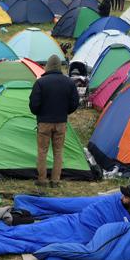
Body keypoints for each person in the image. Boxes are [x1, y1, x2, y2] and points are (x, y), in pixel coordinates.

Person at [28, 55, 79, 188]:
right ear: (59, 67)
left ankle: (42, 180)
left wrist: (40, 114)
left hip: (44, 122)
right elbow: (74, 103)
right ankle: (55, 181)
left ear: (48, 66)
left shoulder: (40, 82)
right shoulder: (69, 82)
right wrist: (64, 113)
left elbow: (34, 104)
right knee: (58, 152)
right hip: (61, 123)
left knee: (42, 151)